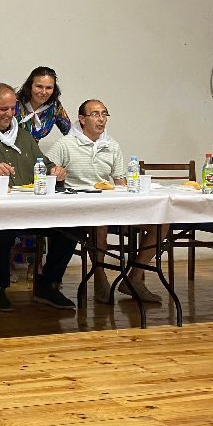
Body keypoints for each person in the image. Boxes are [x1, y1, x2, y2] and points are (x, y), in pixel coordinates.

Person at [0, 83, 77, 312]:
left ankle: (47, 284)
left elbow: (42, 163)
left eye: (12, 109)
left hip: (30, 209)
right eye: (3, 109)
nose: (9, 114)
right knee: (1, 228)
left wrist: (54, 170)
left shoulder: (22, 136)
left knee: (71, 227)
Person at [50, 99, 165, 303]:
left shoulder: (112, 145)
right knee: (100, 224)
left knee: (162, 223)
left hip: (110, 204)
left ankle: (134, 278)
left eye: (104, 114)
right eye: (95, 114)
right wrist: (55, 172)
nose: (101, 119)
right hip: (81, 207)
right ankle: (99, 276)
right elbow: (46, 170)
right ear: (82, 119)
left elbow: (119, 181)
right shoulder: (65, 144)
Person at [14, 66, 71, 142]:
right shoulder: (14, 102)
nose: (44, 92)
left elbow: (70, 133)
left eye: (49, 88)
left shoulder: (55, 106)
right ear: (30, 86)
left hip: (32, 149)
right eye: (39, 86)